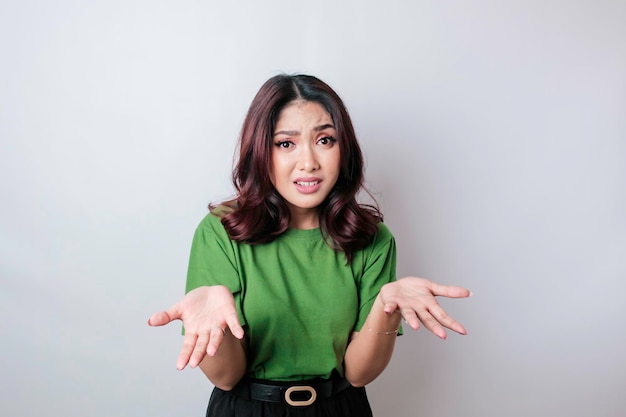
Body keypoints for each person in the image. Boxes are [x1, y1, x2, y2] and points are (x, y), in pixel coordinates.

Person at [148, 74, 471, 417]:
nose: (309, 163)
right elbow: (227, 378)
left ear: (342, 148)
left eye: (325, 140)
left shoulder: (372, 238)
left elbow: (360, 373)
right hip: (247, 409)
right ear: (261, 151)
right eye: (286, 143)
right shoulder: (222, 232)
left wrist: (385, 307)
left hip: (339, 408)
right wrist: (221, 331)